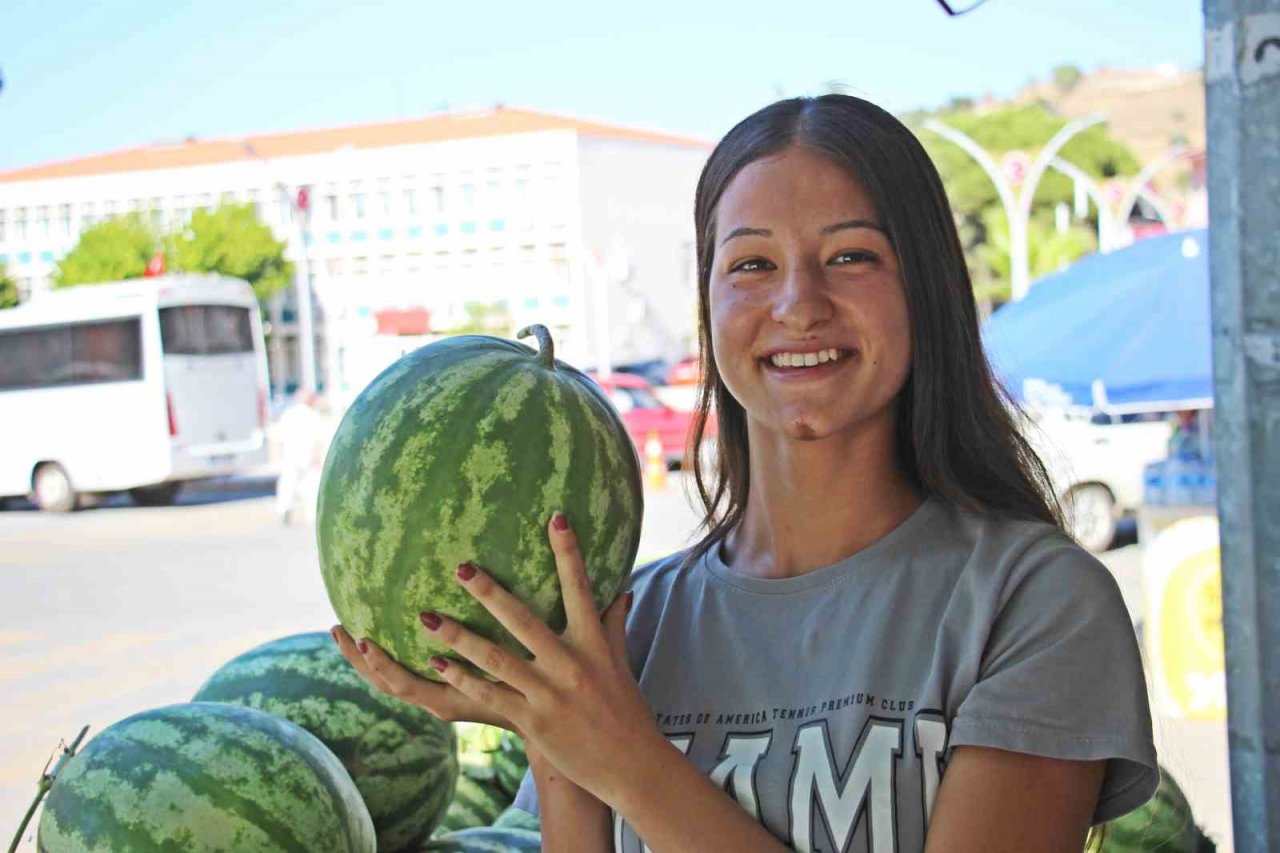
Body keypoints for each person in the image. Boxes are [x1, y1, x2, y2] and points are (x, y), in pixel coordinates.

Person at [334, 95, 1158, 852]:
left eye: (851, 256)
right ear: (709, 305)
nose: (799, 303)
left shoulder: (1035, 603)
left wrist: (628, 761)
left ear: (927, 290)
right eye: (752, 265)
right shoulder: (629, 623)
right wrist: (558, 739)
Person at [273, 390, 326, 525]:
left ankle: (283, 509)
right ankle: (312, 515)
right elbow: (319, 440)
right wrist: (319, 459)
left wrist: (278, 456)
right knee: (310, 487)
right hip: (307, 456)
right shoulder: (312, 415)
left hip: (290, 455)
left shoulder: (289, 414)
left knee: (287, 484)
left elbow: (278, 437)